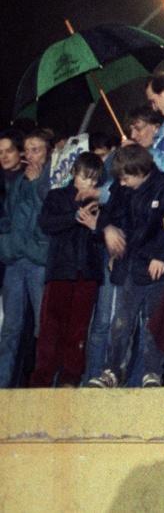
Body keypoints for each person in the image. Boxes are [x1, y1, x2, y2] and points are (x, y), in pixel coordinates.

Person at [86, 143, 164, 388]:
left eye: (126, 178)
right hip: (129, 265)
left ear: (140, 172)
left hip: (157, 269)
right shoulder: (121, 187)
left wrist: (161, 254)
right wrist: (106, 229)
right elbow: (109, 213)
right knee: (121, 322)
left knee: (153, 322)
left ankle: (152, 372)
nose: (123, 184)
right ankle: (112, 371)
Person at [32, 152, 106, 386]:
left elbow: (105, 236)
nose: (90, 183)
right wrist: (74, 216)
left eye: (94, 179)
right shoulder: (57, 196)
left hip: (87, 273)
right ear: (74, 173)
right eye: (86, 177)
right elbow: (46, 224)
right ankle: (42, 380)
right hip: (60, 271)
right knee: (50, 328)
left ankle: (70, 380)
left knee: (79, 330)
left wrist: (96, 226)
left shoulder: (100, 202)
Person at [0, 128, 50, 387]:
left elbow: (46, 217)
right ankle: (3, 385)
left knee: (42, 326)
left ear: (47, 151)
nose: (30, 155)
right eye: (28, 150)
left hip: (37, 260)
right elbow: (8, 216)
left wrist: (36, 184)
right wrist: (7, 245)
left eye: (36, 149)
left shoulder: (50, 177)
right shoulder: (17, 180)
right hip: (15, 260)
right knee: (10, 328)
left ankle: (41, 383)